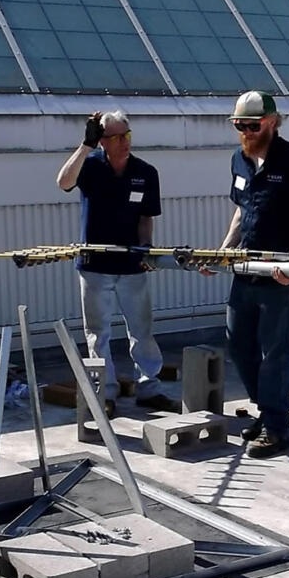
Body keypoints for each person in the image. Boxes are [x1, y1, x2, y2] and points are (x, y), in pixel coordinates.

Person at [207, 90, 289, 459]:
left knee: (274, 352)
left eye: (253, 125)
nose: (246, 131)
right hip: (245, 271)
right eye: (240, 125)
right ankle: (265, 409)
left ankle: (275, 426)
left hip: (278, 275)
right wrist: (223, 252)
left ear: (272, 122)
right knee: (238, 342)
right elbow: (241, 212)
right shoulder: (239, 160)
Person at [56, 110, 179, 416]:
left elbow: (146, 216)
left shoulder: (145, 172)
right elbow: (63, 182)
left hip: (131, 265)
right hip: (95, 265)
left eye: (128, 135)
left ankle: (149, 387)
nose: (125, 142)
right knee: (98, 332)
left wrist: (146, 250)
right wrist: (85, 146)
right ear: (103, 142)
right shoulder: (91, 166)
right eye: (117, 137)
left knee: (142, 329)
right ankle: (104, 392)